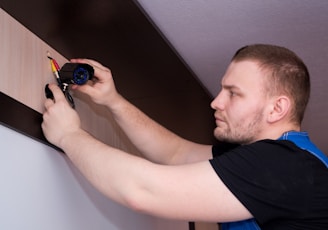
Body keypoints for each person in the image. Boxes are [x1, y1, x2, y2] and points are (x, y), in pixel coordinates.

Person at [42, 44, 328, 229]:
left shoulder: (286, 166)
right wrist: (114, 101)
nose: (216, 102)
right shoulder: (274, 160)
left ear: (277, 108)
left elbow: (143, 190)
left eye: (233, 93)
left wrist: (68, 135)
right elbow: (176, 154)